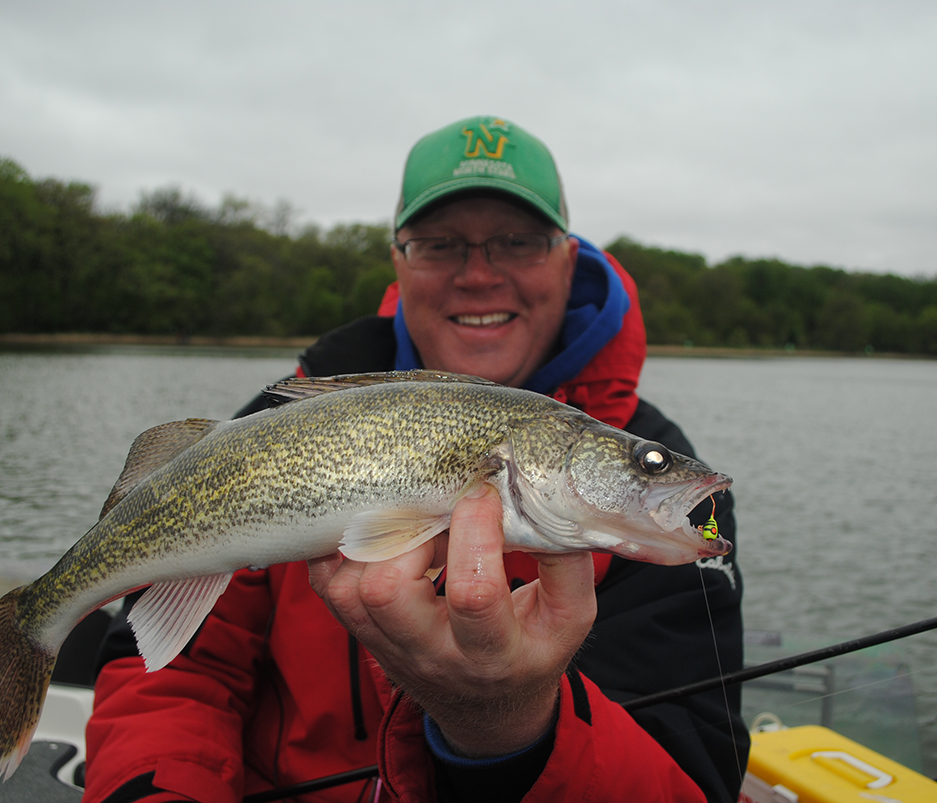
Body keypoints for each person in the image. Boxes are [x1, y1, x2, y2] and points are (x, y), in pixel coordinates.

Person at [83, 116, 747, 803]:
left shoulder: (674, 519)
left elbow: (693, 774)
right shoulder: (279, 419)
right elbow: (168, 677)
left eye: (518, 242)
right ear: (400, 262)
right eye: (440, 244)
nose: (480, 274)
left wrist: (513, 724)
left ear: (567, 258)